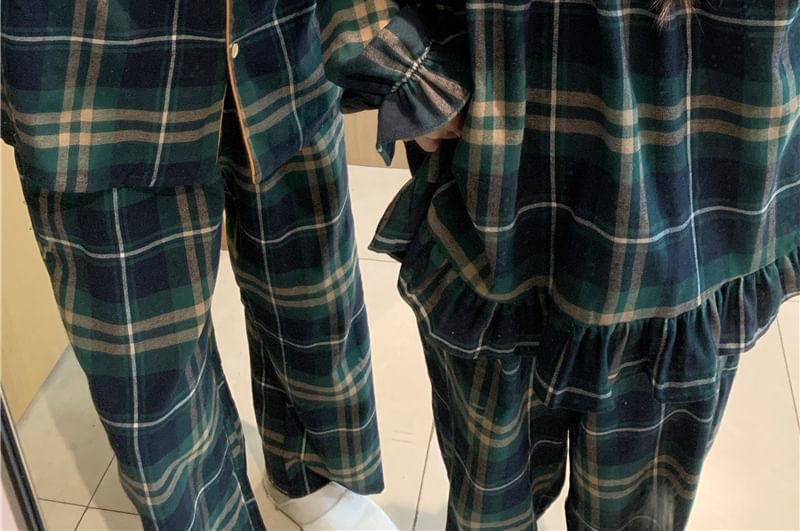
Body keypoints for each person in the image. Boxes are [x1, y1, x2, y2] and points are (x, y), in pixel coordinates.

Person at [318, 0, 800, 529]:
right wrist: (410, 72)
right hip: (500, 202)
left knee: (639, 512)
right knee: (490, 504)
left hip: (703, 197)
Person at [1, 2, 398, 529]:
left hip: (278, 29)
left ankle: (309, 477)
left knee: (312, 291)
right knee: (149, 362)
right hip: (92, 65)